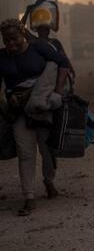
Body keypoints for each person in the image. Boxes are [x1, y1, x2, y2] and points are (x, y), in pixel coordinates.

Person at [0, 18, 70, 216]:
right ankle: (29, 196)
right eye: (6, 41)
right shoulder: (2, 57)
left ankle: (49, 181)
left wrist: (57, 93)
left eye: (14, 39)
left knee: (47, 150)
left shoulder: (39, 47)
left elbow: (63, 64)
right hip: (19, 112)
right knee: (26, 153)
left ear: (23, 33)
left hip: (43, 107)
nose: (11, 44)